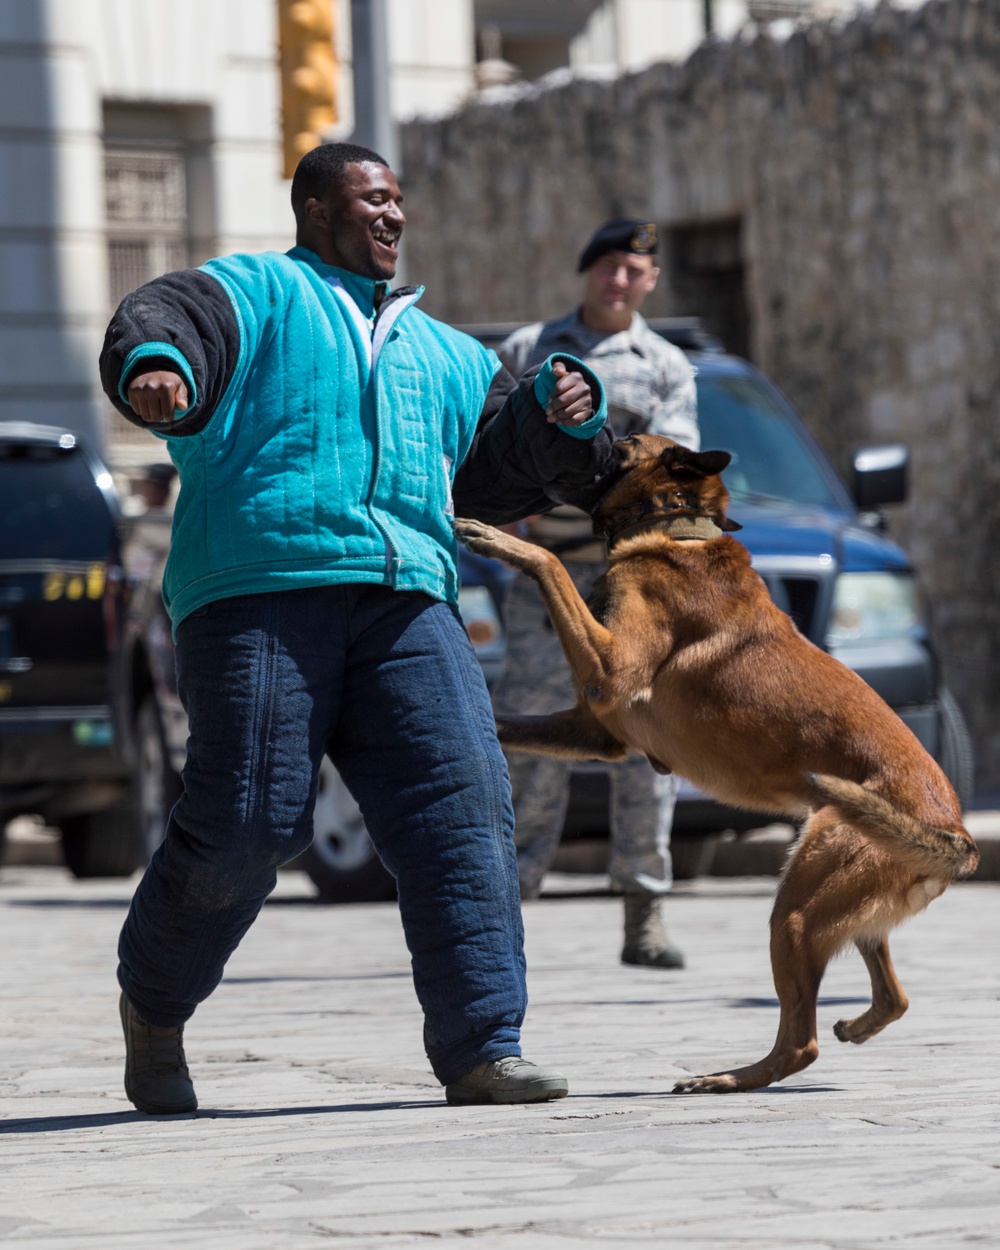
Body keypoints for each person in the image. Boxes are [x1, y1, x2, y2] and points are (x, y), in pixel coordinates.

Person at [98, 142, 615, 1115]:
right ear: (314, 208)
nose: (391, 216)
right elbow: (160, 322)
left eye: (397, 201)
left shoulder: (445, 352)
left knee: (464, 802)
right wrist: (156, 369)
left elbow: (498, 471)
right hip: (258, 588)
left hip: (407, 598)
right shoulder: (250, 293)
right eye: (371, 199)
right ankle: (154, 1006)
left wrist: (559, 412)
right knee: (253, 818)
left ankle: (483, 1047)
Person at [495, 217, 699, 969]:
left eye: (634, 270)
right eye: (608, 265)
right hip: (546, 577)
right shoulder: (529, 351)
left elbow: (670, 461)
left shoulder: (667, 364)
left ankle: (645, 911)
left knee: (650, 737)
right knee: (531, 737)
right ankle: (507, 906)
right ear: (588, 271)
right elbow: (492, 445)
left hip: (632, 582)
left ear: (650, 282)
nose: (619, 280)